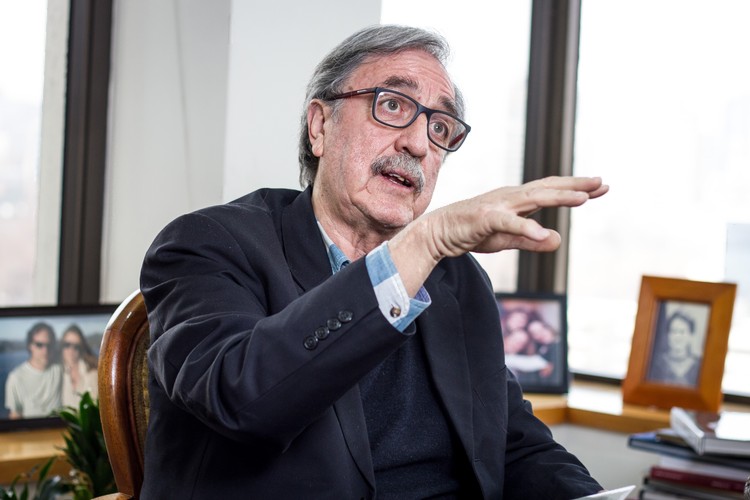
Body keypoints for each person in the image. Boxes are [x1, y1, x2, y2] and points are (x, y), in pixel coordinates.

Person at [140, 25, 610, 498]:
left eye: (440, 127)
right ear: (320, 126)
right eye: (393, 106)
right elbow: (242, 399)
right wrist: (425, 240)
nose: (419, 144)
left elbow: (514, 446)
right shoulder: (207, 244)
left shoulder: (456, 277)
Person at [4, 322, 62, 419]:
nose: (45, 350)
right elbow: (15, 415)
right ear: (30, 345)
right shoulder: (15, 377)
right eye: (39, 345)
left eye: (49, 345)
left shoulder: (59, 369)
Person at [648, 310, 702, 386]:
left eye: (682, 332)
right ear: (667, 335)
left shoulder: (700, 365)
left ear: (690, 336)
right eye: (673, 331)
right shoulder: (656, 363)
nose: (677, 336)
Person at [60, 324, 99, 407]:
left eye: (76, 346)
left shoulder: (93, 374)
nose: (71, 350)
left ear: (81, 348)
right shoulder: (57, 373)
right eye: (67, 345)